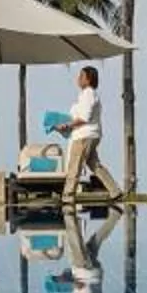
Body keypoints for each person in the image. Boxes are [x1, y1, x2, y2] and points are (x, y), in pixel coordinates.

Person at [54, 64, 104, 197]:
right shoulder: (86, 95)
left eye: (81, 76)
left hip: (84, 136)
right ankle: (115, 191)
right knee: (94, 165)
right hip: (91, 134)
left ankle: (68, 195)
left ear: (88, 79)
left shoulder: (88, 93)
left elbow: (84, 117)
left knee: (74, 166)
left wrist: (67, 125)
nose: (78, 78)